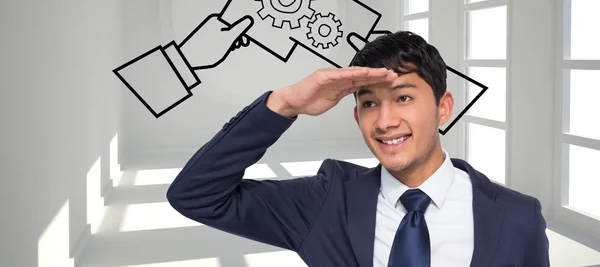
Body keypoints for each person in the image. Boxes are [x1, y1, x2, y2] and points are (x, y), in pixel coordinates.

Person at [166, 30, 550, 267]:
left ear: (444, 108)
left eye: (402, 98)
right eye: (368, 103)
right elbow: (196, 195)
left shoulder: (519, 217)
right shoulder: (326, 201)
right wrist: (284, 104)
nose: (384, 121)